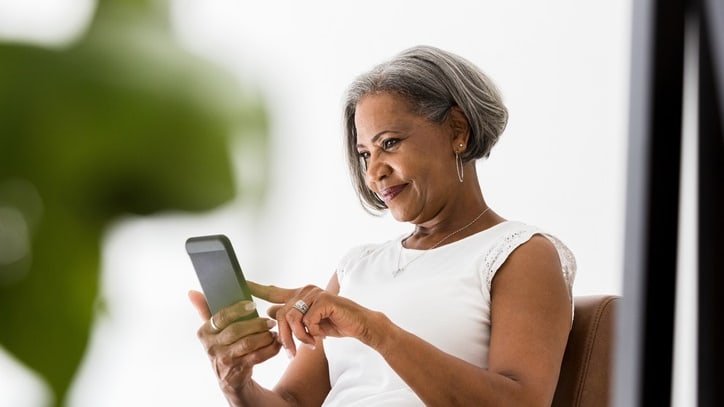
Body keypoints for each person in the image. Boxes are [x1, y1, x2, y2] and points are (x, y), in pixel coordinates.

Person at [189, 45, 576, 406]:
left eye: (390, 143)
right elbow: (292, 402)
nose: (375, 172)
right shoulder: (357, 266)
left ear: (457, 131)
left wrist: (375, 330)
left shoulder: (519, 253)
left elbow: (522, 401)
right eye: (364, 154)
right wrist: (237, 383)